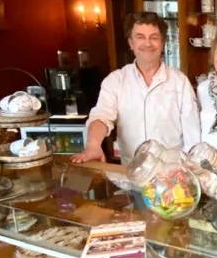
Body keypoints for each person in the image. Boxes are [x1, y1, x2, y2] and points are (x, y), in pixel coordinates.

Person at [72, 12, 200, 164]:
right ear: (131, 43)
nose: (147, 43)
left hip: (173, 176)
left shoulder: (180, 82)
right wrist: (93, 145)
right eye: (140, 37)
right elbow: (101, 116)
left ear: (162, 43)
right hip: (132, 173)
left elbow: (193, 137)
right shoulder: (116, 80)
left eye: (154, 37)